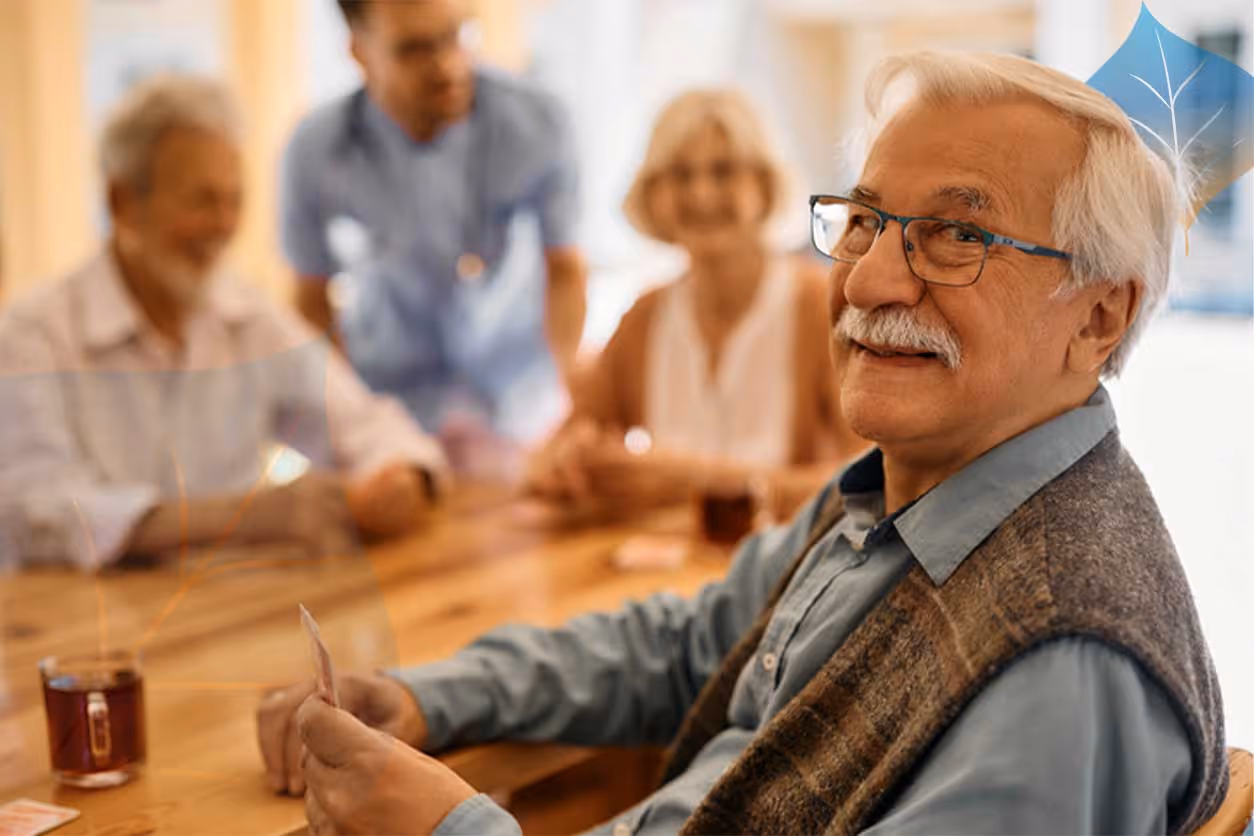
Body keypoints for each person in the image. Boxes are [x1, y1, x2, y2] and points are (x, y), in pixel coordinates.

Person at [256, 52, 1230, 834]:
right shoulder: (906, 489)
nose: (867, 281)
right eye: (866, 221)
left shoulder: (1062, 659)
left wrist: (450, 824)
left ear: (1099, 318)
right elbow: (690, 643)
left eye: (952, 236)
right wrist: (425, 695)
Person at [0, 75, 448, 572]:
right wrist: (239, 518)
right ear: (123, 203)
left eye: (234, 200)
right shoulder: (32, 333)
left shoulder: (247, 315)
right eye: (201, 200)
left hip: (222, 619)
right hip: (76, 636)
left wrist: (401, 475)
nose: (223, 225)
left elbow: (367, 423)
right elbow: (31, 510)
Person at [525, 90, 867, 518]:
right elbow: (554, 453)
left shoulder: (821, 309)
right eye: (680, 175)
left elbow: (872, 484)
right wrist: (566, 467)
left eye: (723, 172)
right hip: (664, 571)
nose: (701, 194)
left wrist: (695, 483)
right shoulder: (644, 317)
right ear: (653, 194)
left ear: (765, 186)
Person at [282, 0, 586, 444]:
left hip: (520, 403)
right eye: (414, 49)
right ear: (359, 52)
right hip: (391, 407)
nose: (448, 66)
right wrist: (349, 423)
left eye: (458, 36)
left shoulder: (540, 123)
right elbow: (311, 300)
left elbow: (566, 270)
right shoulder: (315, 149)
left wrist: (574, 392)